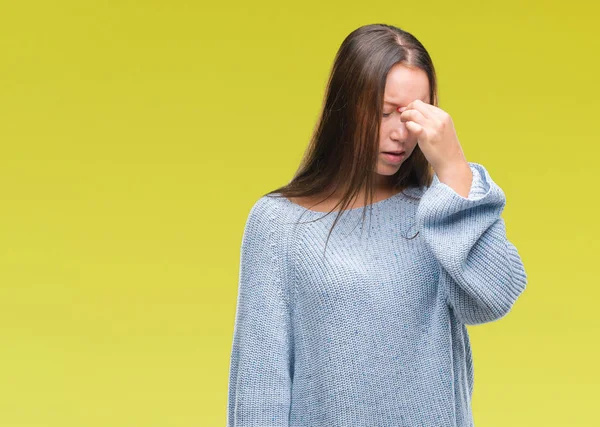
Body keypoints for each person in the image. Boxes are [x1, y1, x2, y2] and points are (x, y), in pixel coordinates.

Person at [226, 23, 527, 427]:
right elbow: (259, 387)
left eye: (414, 115)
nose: (400, 133)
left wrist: (455, 169)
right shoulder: (280, 224)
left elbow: (492, 300)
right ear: (345, 108)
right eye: (385, 113)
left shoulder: (439, 212)